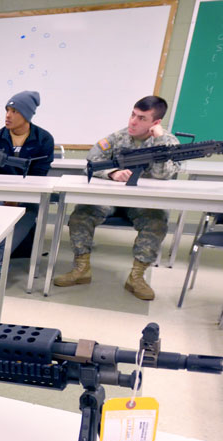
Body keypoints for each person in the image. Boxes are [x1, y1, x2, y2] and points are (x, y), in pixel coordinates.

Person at [53, 96, 181, 300]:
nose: (133, 121)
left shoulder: (168, 143)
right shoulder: (117, 138)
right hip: (112, 198)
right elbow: (91, 161)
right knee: (81, 214)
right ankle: (82, 268)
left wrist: (159, 141)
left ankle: (137, 277)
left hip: (144, 203)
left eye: (141, 118)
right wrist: (112, 172)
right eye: (132, 115)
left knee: (157, 221)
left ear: (155, 123)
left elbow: (164, 174)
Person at [0, 91, 54, 288]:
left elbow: (40, 175)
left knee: (27, 212)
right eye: (7, 110)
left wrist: (17, 198)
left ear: (27, 115)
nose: (8, 115)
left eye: (14, 111)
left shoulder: (44, 139)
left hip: (27, 196)